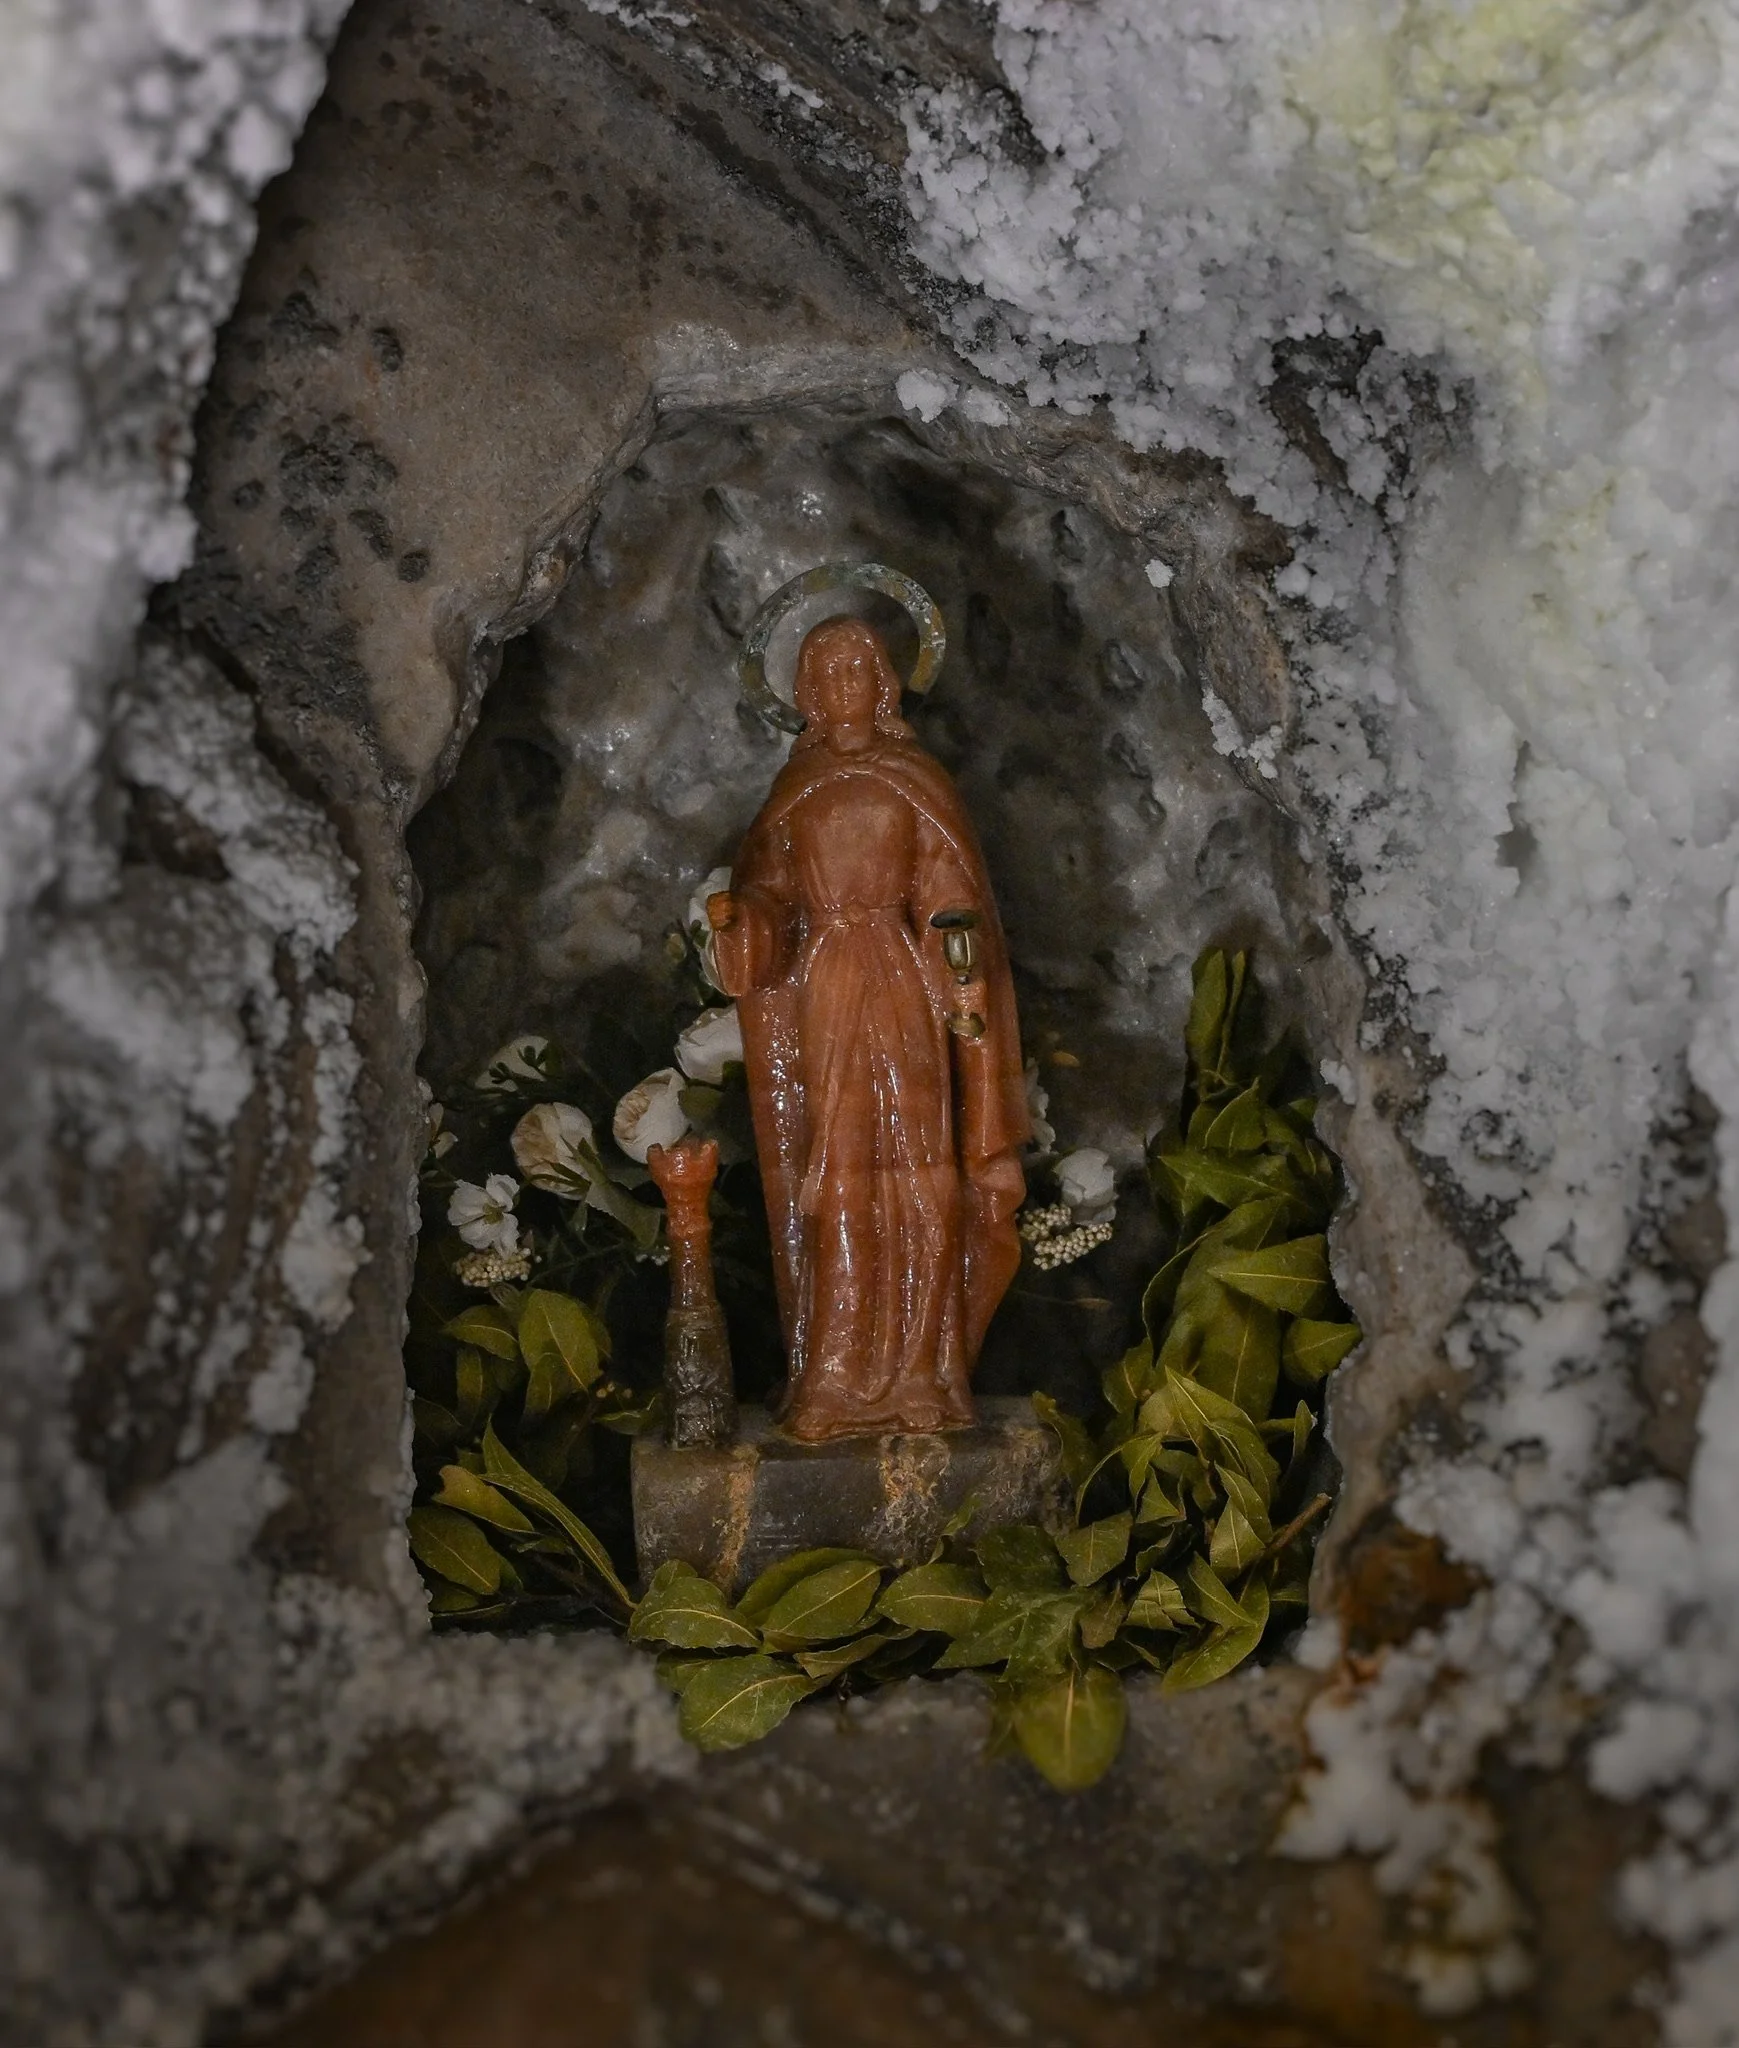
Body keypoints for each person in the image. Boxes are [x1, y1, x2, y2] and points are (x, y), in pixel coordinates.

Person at [707, 614, 1029, 1440]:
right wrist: (743, 920)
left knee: (921, 1175)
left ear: (884, 680)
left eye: (860, 665)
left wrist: (961, 973)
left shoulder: (915, 778)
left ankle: (924, 1373)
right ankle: (834, 1376)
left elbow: (948, 889)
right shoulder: (795, 792)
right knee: (839, 1176)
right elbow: (773, 896)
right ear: (806, 691)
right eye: (829, 668)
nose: (846, 679)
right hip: (828, 981)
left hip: (904, 979)